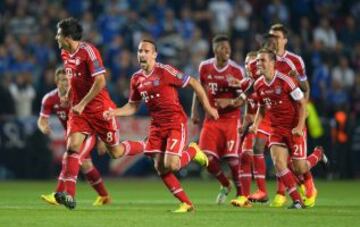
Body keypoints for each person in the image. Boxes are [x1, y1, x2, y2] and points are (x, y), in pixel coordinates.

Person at [105, 39, 219, 213]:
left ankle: (193, 151)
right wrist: (114, 112)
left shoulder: (165, 71)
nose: (142, 54)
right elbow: (133, 106)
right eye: (139, 51)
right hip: (156, 125)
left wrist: (208, 107)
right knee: (160, 167)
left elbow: (195, 83)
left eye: (146, 51)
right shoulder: (136, 78)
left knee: (172, 164)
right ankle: (187, 204)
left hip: (175, 122)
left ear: (154, 55)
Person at [54, 17, 144, 209]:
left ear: (68, 36)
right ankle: (69, 195)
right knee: (72, 146)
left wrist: (83, 103)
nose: (56, 37)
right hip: (79, 111)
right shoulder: (64, 53)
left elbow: (101, 81)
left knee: (116, 152)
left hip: (100, 109)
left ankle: (148, 144)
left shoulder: (89, 51)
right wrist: (69, 96)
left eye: (59, 34)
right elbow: (73, 79)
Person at [251, 48, 325, 209]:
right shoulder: (258, 84)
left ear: (272, 62)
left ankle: (318, 154)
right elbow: (262, 107)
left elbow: (302, 103)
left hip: (294, 128)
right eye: (257, 60)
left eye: (262, 60)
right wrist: (256, 124)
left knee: (300, 168)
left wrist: (299, 126)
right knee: (279, 164)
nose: (258, 63)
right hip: (276, 129)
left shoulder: (285, 80)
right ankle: (297, 200)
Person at [268, 24, 325, 207]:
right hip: (276, 118)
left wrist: (304, 109)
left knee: (298, 165)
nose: (274, 40)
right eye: (271, 36)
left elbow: (305, 88)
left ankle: (317, 156)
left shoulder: (295, 60)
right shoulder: (265, 59)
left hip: (294, 118)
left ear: (285, 39)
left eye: (277, 36)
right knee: (280, 161)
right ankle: (284, 194)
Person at [38, 67, 111, 206]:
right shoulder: (50, 99)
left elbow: (100, 115)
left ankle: (57, 194)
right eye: (62, 80)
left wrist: (102, 140)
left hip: (88, 134)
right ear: (56, 81)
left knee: (69, 158)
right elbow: (42, 119)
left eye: (68, 80)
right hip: (72, 136)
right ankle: (104, 196)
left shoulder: (80, 96)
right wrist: (43, 127)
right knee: (87, 166)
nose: (66, 83)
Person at [191, 35, 246, 205]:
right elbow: (198, 89)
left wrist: (229, 101)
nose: (227, 50)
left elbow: (244, 97)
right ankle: (225, 183)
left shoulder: (237, 70)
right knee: (205, 158)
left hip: (231, 119)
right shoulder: (205, 67)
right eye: (223, 47)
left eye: (228, 47)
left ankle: (241, 195)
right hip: (211, 119)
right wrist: (194, 110)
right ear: (215, 50)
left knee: (232, 160)